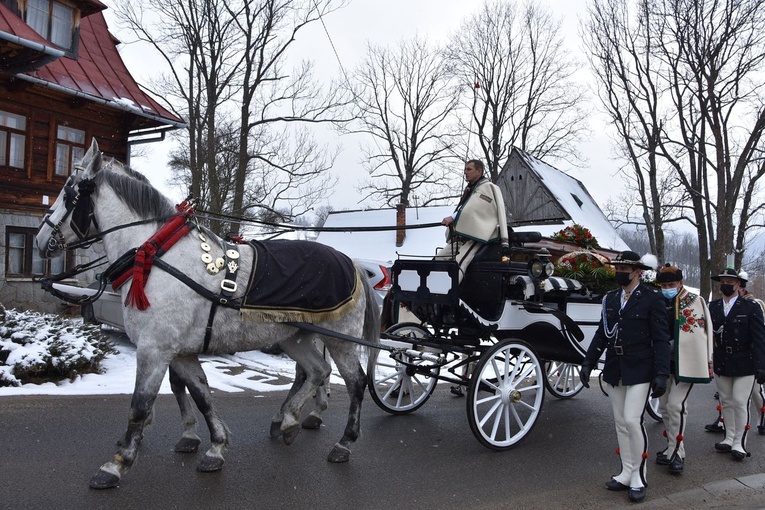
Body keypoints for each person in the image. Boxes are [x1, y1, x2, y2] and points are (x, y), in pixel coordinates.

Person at [579, 250, 671, 504]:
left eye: (624, 269)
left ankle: (639, 477)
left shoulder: (652, 299)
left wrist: (662, 373)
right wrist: (588, 362)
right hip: (615, 366)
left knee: (632, 420)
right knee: (620, 421)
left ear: (638, 272)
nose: (619, 273)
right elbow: (602, 333)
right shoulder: (610, 299)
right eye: (617, 268)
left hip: (641, 366)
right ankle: (626, 472)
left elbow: (661, 339)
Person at [654, 264, 713, 475]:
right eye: (664, 285)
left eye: (671, 284)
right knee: (664, 408)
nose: (667, 288)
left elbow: (703, 333)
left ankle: (678, 452)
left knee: (676, 405)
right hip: (663, 364)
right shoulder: (657, 301)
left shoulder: (695, 301)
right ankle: (671, 448)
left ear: (680, 282)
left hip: (686, 363)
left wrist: (706, 360)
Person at [708, 267, 765, 461]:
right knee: (726, 401)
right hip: (722, 360)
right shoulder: (712, 307)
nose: (725, 285)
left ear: (739, 284)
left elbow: (759, 338)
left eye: (729, 282)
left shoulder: (751, 307)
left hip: (744, 361)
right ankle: (729, 437)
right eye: (722, 282)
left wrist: (761, 365)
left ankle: (739, 442)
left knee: (741, 402)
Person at [437, 159, 509, 282]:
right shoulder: (470, 190)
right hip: (461, 236)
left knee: (459, 263)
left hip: (477, 236)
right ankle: (432, 289)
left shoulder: (488, 188)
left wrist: (504, 240)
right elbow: (463, 208)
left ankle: (450, 291)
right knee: (439, 258)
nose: (465, 172)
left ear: (479, 171)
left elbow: (475, 209)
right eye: (465, 169)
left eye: (469, 169)